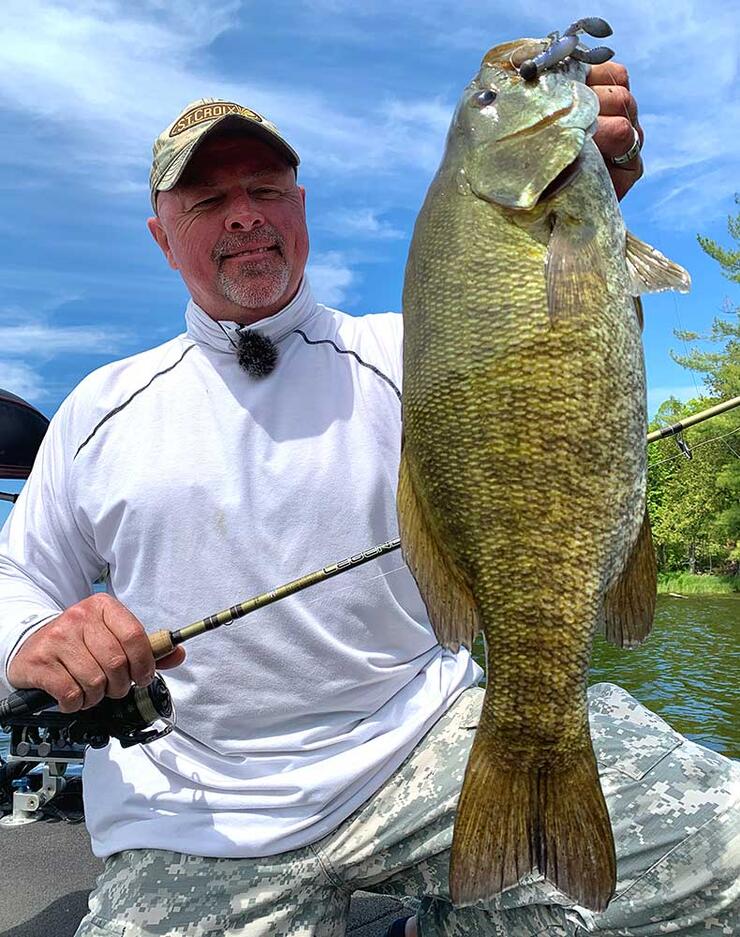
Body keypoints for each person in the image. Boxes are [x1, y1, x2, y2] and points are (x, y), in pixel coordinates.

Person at [0, 59, 737, 937]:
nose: (243, 213)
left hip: (427, 746)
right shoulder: (100, 408)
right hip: (199, 811)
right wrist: (38, 636)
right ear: (162, 235)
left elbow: (567, 361)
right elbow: (17, 582)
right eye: (205, 201)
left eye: (265, 188)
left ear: (300, 208)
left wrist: (590, 205)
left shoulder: (412, 352)